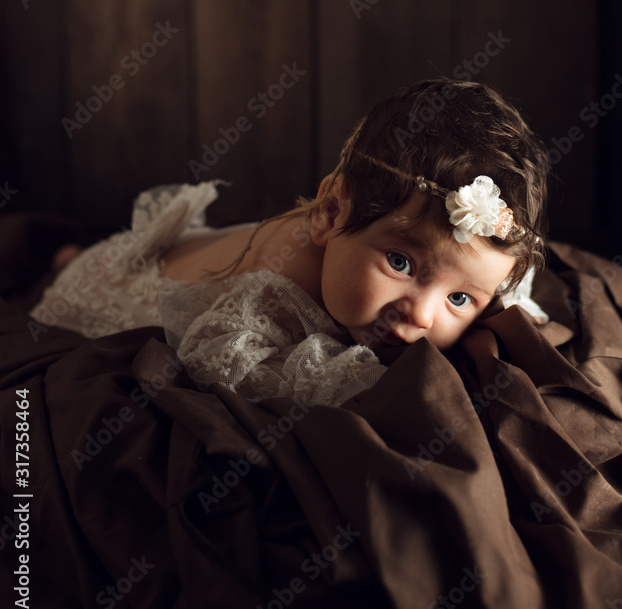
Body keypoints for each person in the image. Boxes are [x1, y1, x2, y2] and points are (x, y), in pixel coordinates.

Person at [29, 78, 550, 406]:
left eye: (459, 299)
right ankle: (68, 260)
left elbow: (497, 276)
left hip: (212, 250)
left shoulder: (449, 272)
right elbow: (221, 361)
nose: (420, 317)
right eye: (399, 262)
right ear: (330, 213)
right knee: (87, 271)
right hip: (132, 287)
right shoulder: (281, 281)